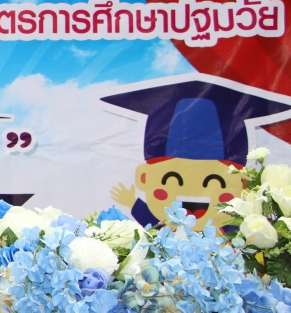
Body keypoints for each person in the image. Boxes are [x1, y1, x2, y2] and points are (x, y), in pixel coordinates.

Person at [103, 77, 291, 230]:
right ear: (143, 177)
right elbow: (154, 225)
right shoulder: (166, 230)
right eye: (171, 181)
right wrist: (133, 203)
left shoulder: (232, 231)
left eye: (215, 183)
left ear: (244, 183)